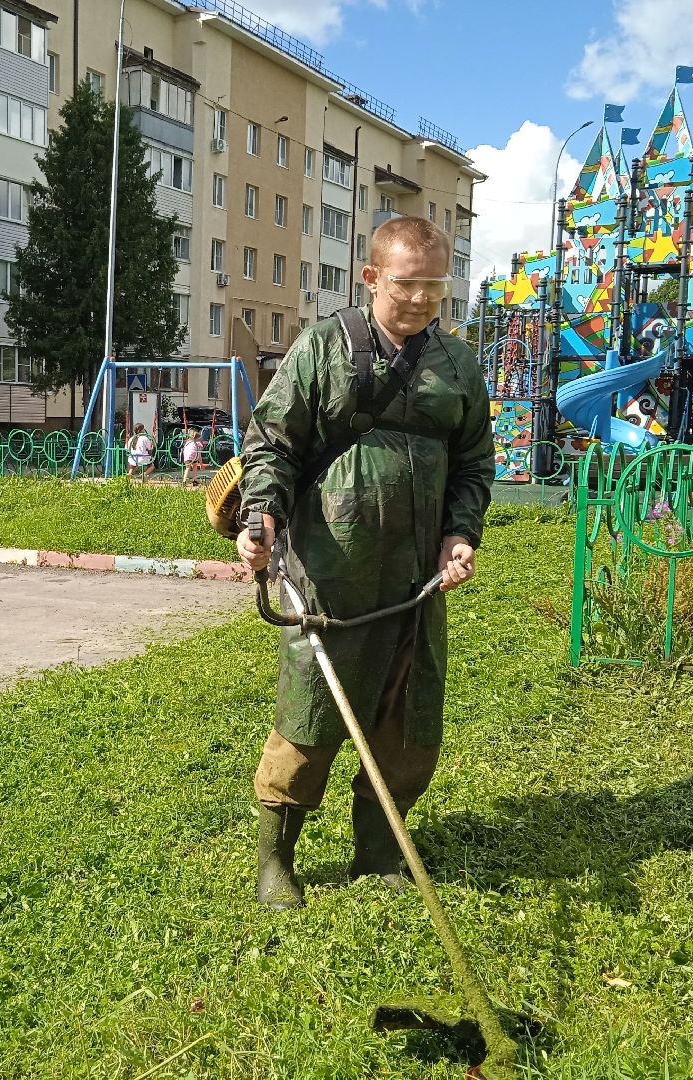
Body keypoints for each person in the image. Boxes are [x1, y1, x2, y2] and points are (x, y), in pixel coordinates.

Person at [235, 216, 494, 910]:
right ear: (373, 277)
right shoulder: (322, 349)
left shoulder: (459, 365)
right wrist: (260, 515)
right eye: (408, 285)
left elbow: (473, 464)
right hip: (328, 576)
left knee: (408, 721)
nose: (421, 300)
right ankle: (275, 860)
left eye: (435, 288)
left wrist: (460, 533)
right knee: (310, 717)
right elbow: (272, 445)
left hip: (416, 582)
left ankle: (379, 852)